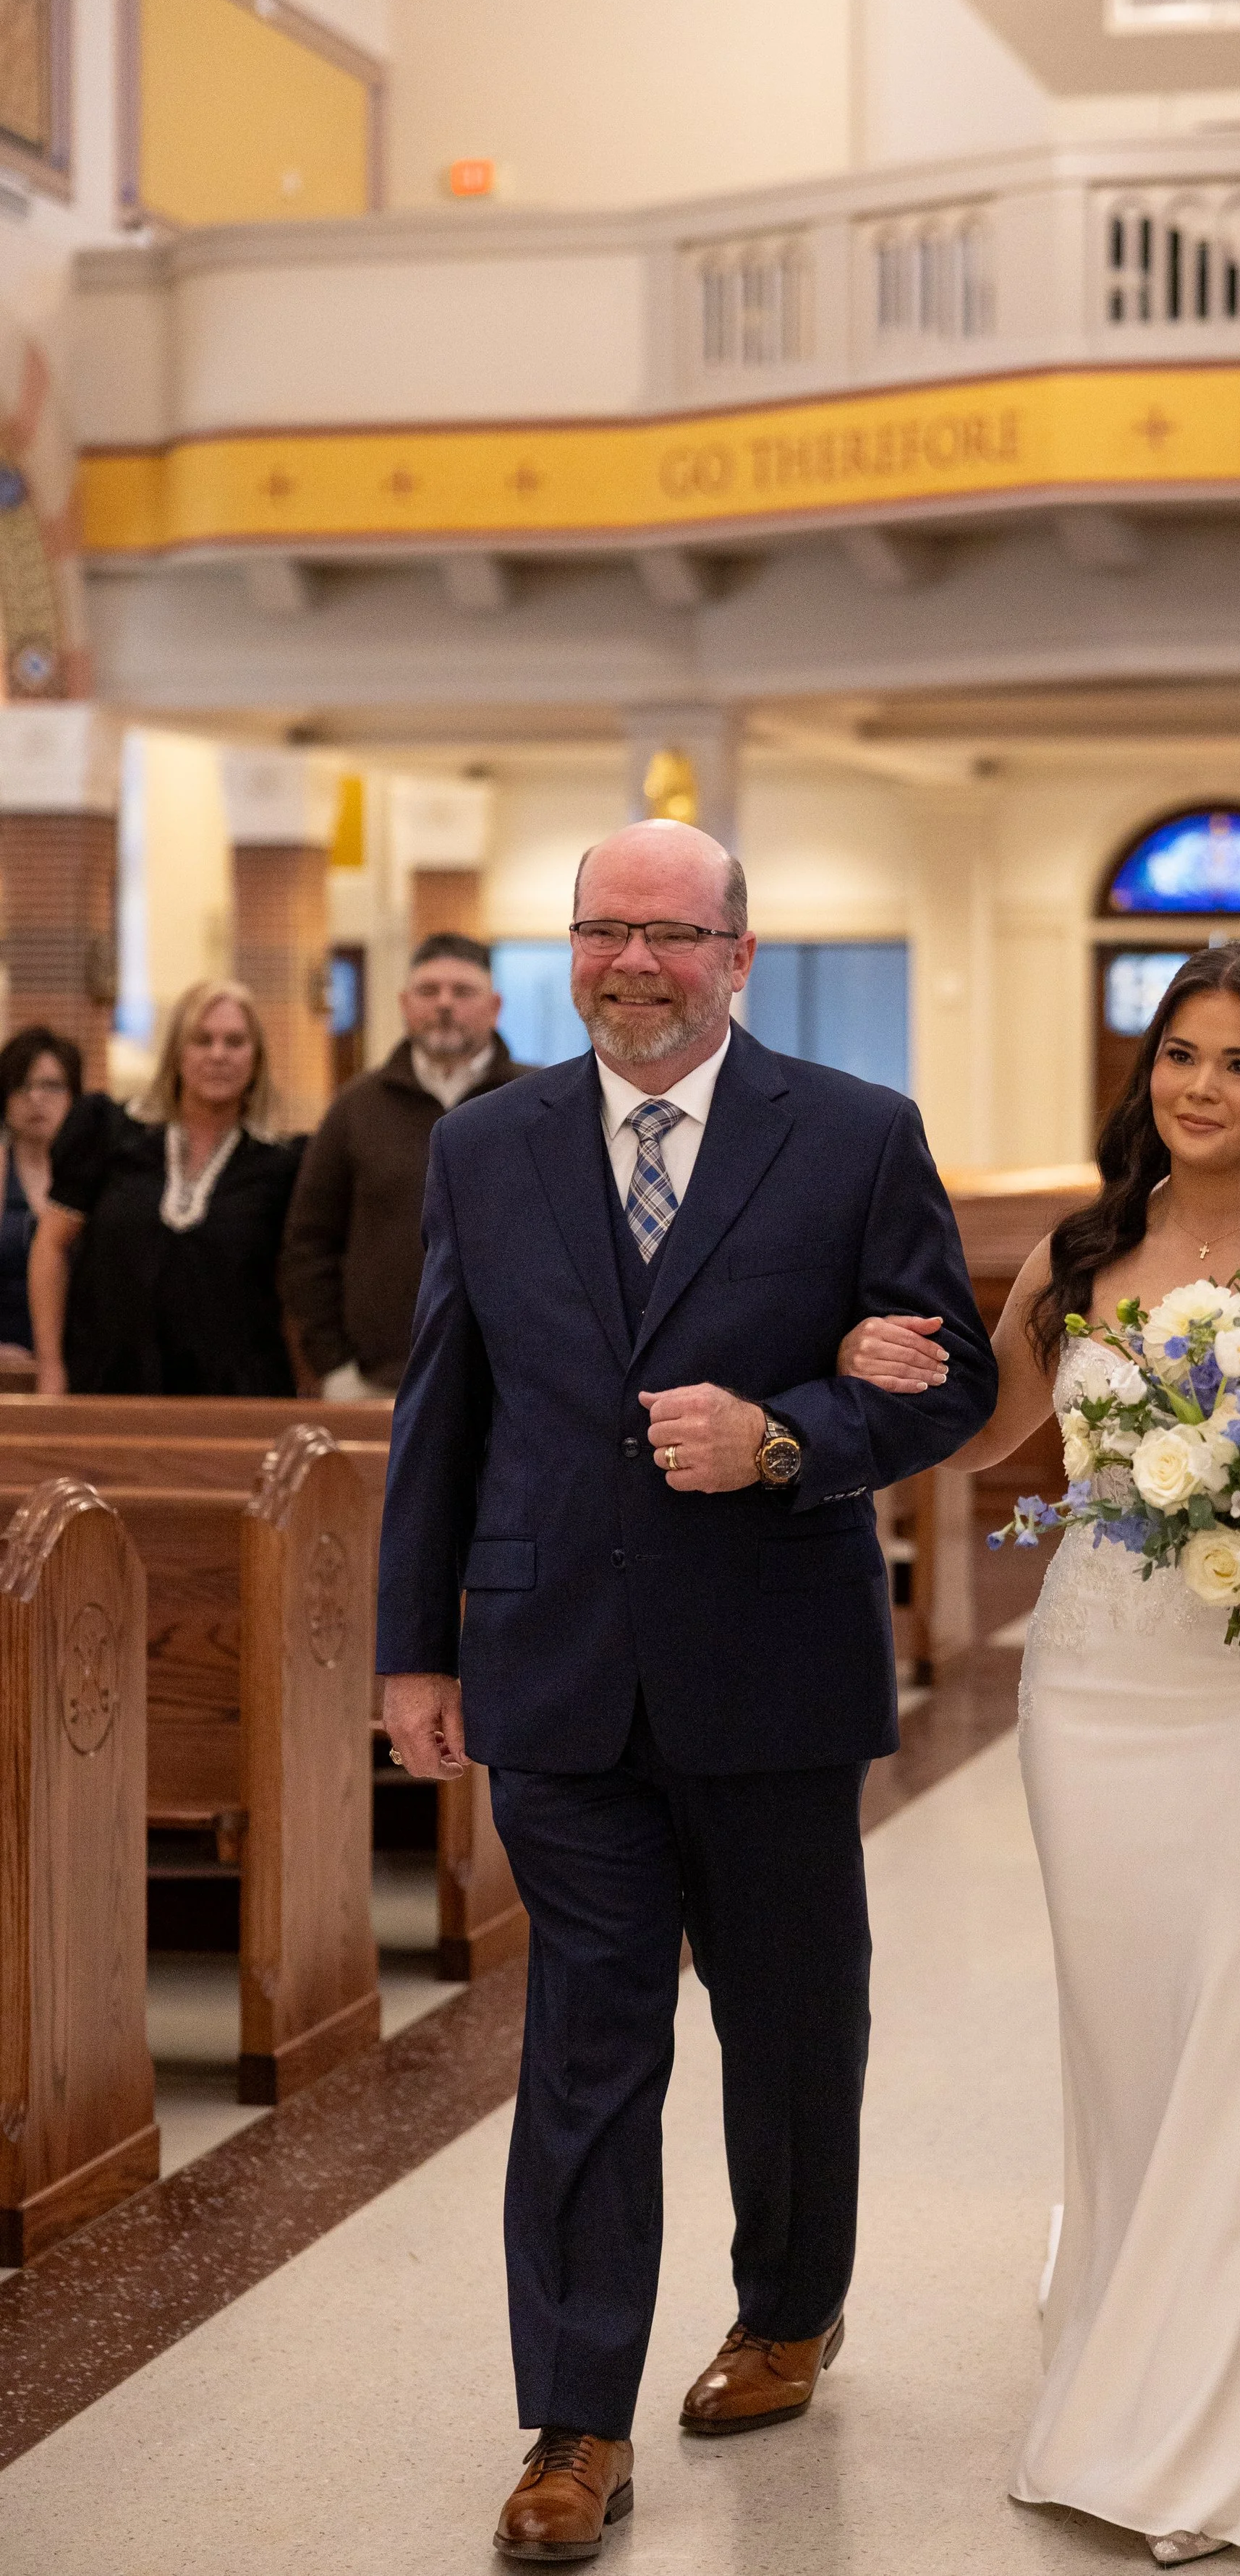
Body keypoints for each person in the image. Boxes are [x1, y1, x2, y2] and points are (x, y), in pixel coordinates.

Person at [831, 946, 1240, 2559]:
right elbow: (997, 1431)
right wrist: (875, 1376)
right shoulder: (1076, 1257)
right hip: (1098, 1690)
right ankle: (1142, 2361)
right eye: (1178, 1058)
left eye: (1238, 1065)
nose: (1198, 1090)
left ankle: (1239, 2424)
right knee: (1132, 2033)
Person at [376, 818, 997, 2563]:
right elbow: (446, 1405)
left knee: (792, 2026)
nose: (631, 963)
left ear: (737, 951)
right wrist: (415, 1646)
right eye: (601, 930)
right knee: (585, 2045)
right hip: (556, 1665)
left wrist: (790, 1431)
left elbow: (941, 1384)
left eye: (669, 932)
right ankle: (574, 2420)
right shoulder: (488, 1146)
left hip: (775, 1670)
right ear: (566, 952)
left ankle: (790, 2307)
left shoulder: (855, 1136)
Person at [281, 931, 523, 1399]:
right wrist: (335, 1368)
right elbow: (308, 1245)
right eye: (428, 991)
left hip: (515, 1383)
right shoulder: (355, 1108)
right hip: (383, 1381)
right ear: (404, 1004)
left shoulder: (537, 1104)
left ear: (495, 1006)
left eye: (463, 991)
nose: (444, 1004)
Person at [31, 979, 302, 1397]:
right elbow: (50, 1247)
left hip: (236, 1396)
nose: (219, 1055)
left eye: (235, 1042)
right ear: (177, 1053)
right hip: (107, 1383)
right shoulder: (107, 1133)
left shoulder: (283, 1165)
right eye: (202, 1040)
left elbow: (292, 1290)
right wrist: (51, 1367)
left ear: (257, 1059)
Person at [0, 1026, 80, 1368]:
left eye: (51, 1085)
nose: (35, 1098)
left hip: (79, 1365)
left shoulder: (95, 1175)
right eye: (22, 1086)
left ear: (74, 1096)